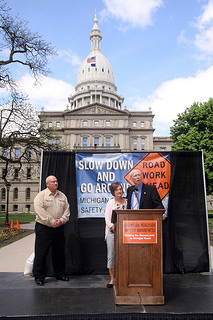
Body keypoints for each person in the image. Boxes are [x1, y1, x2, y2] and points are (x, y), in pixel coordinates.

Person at [33, 175, 70, 286]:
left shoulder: (62, 196)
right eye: (53, 181)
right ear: (47, 184)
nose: (55, 183)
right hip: (44, 228)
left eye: (56, 181)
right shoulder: (41, 196)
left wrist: (61, 221)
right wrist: (52, 222)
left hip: (59, 228)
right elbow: (40, 212)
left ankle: (60, 274)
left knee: (59, 252)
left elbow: (67, 211)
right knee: (41, 253)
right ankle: (39, 277)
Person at [105, 182, 127, 288]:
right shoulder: (110, 203)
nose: (119, 191)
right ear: (113, 192)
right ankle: (112, 279)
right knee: (111, 256)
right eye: (117, 189)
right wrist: (115, 229)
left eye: (120, 189)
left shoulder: (127, 202)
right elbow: (107, 220)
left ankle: (123, 277)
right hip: (112, 233)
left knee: (125, 256)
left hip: (126, 234)